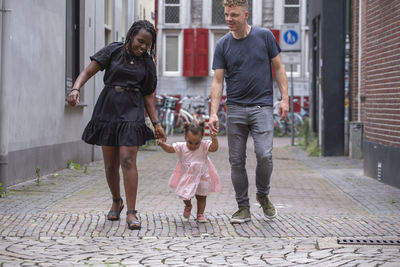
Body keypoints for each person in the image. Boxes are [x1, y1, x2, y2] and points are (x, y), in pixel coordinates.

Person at [67, 20, 166, 230]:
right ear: (131, 36)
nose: (142, 47)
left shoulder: (147, 63)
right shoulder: (113, 51)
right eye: (140, 42)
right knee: (111, 164)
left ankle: (131, 212)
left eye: (147, 45)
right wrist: (75, 89)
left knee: (128, 160)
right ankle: (116, 200)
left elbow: (148, 95)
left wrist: (156, 122)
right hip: (108, 108)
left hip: (133, 110)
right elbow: (87, 71)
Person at [208, 0, 289, 224]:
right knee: (236, 161)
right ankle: (243, 207)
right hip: (234, 108)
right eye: (226, 15)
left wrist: (284, 98)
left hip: (262, 107)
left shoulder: (264, 37)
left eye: (233, 15)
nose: (228, 20)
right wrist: (213, 113)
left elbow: (279, 68)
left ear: (246, 14)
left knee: (265, 155)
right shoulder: (223, 45)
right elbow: (217, 81)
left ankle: (262, 194)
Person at [157, 122, 221, 222]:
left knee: (202, 196)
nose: (193, 146)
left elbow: (214, 148)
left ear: (201, 138)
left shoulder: (204, 146)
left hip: (202, 176)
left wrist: (214, 139)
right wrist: (163, 145)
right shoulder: (182, 146)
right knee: (184, 194)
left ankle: (200, 214)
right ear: (185, 137)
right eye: (190, 142)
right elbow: (170, 149)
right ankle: (188, 205)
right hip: (188, 176)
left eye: (197, 143)